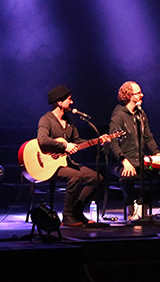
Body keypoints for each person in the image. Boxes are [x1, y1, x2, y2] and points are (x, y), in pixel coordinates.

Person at [37, 85, 109, 227]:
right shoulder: (46, 120)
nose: (72, 102)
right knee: (75, 176)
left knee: (96, 178)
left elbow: (77, 142)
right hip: (48, 165)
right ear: (59, 102)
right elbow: (42, 140)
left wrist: (98, 141)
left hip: (65, 163)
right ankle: (67, 215)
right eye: (69, 99)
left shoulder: (69, 121)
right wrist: (64, 145)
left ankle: (77, 211)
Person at [106, 81, 160, 221]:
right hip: (122, 162)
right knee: (127, 175)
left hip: (141, 160)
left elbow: (148, 137)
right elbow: (113, 143)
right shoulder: (118, 116)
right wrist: (124, 161)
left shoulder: (140, 113)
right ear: (129, 96)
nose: (142, 95)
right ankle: (131, 206)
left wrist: (157, 155)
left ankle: (142, 202)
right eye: (138, 93)